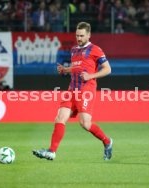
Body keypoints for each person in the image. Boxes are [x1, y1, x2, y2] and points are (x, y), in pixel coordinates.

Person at [32, 22, 113, 161]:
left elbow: (108, 69)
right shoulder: (74, 49)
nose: (79, 38)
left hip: (86, 90)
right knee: (60, 118)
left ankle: (107, 142)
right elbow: (78, 67)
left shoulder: (96, 50)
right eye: (77, 35)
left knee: (85, 124)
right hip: (71, 89)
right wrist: (65, 69)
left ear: (89, 35)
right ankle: (52, 151)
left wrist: (90, 76)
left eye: (82, 35)